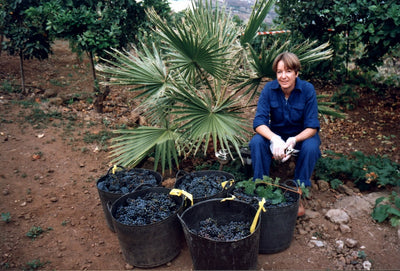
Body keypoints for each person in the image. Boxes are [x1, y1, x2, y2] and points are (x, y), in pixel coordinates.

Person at [249, 52, 321, 187]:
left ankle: (299, 190)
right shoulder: (268, 89)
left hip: (300, 137)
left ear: (296, 73)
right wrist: (274, 139)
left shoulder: (307, 89)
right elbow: (259, 122)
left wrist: (294, 140)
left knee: (311, 147)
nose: (283, 76)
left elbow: (312, 127)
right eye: (279, 72)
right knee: (257, 142)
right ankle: (260, 186)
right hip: (277, 136)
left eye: (288, 71)